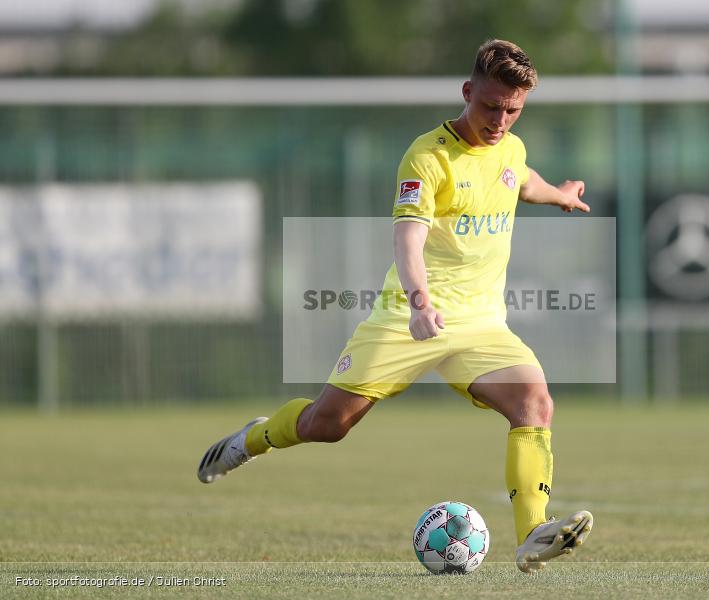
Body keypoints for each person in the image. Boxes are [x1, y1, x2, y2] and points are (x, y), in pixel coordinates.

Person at [198, 39, 593, 573]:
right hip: (409, 318)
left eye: (513, 110)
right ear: (467, 91)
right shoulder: (427, 157)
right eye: (491, 106)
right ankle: (252, 438)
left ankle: (532, 534)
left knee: (534, 404)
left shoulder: (510, 148)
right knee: (327, 424)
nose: (501, 121)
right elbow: (408, 239)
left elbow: (521, 180)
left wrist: (560, 194)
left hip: (481, 325)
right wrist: (419, 303)